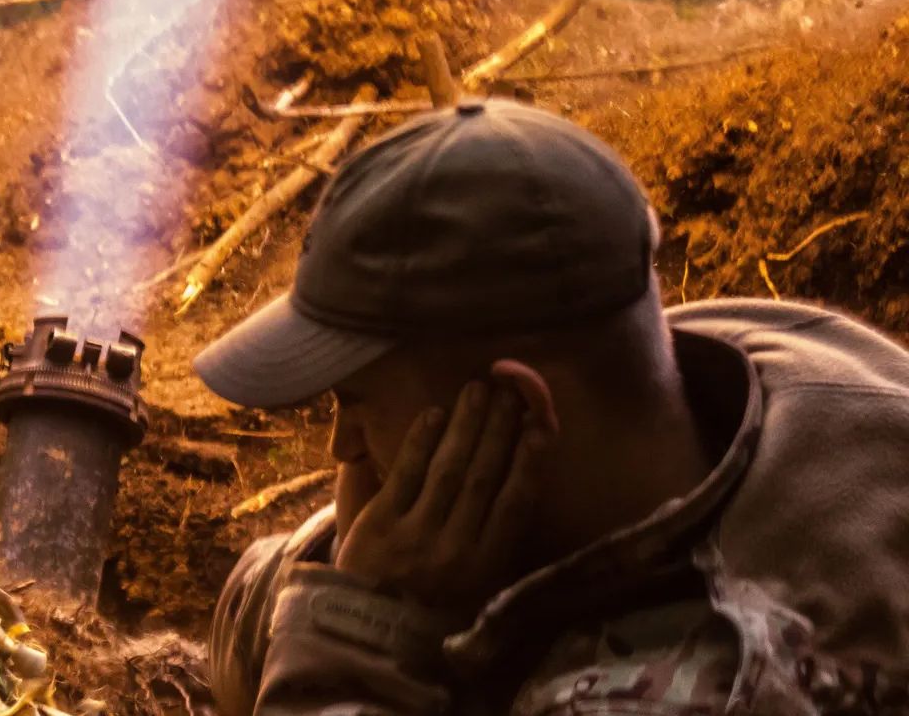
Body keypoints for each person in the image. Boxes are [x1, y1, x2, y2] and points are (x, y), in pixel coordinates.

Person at [195, 99, 909, 715]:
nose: (340, 445)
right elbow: (254, 603)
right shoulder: (755, 364)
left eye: (355, 402)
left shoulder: (710, 683)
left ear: (514, 408)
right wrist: (350, 594)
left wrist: (352, 645)